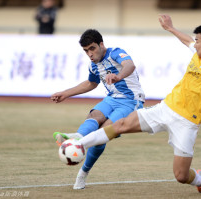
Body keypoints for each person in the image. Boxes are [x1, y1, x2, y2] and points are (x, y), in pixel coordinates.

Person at [76, 14, 201, 193]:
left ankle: (200, 179)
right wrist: (170, 28)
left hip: (187, 121)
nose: (194, 43)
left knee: (181, 176)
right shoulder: (199, 52)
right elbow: (186, 40)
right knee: (121, 124)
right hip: (166, 108)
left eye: (198, 41)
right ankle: (78, 145)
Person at [51, 29, 145, 189]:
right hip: (111, 99)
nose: (89, 53)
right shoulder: (93, 65)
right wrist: (66, 94)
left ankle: (81, 168)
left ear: (101, 45)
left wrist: (118, 76)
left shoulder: (115, 52)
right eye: (86, 50)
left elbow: (130, 65)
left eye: (92, 48)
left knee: (103, 133)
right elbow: (91, 84)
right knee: (95, 115)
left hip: (131, 101)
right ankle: (79, 137)